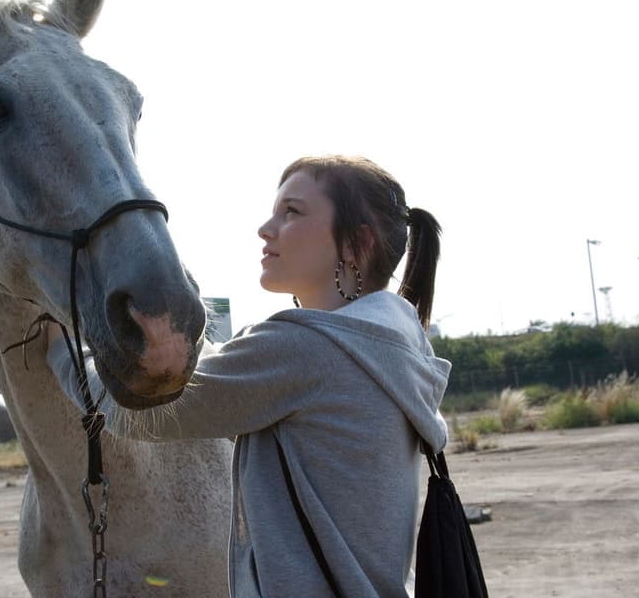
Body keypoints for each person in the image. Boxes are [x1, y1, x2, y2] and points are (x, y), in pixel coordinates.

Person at [47, 155, 450, 598]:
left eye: (292, 212)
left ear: (357, 245)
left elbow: (139, 409)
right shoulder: (396, 343)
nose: (266, 228)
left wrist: (62, 350)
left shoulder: (306, 349)